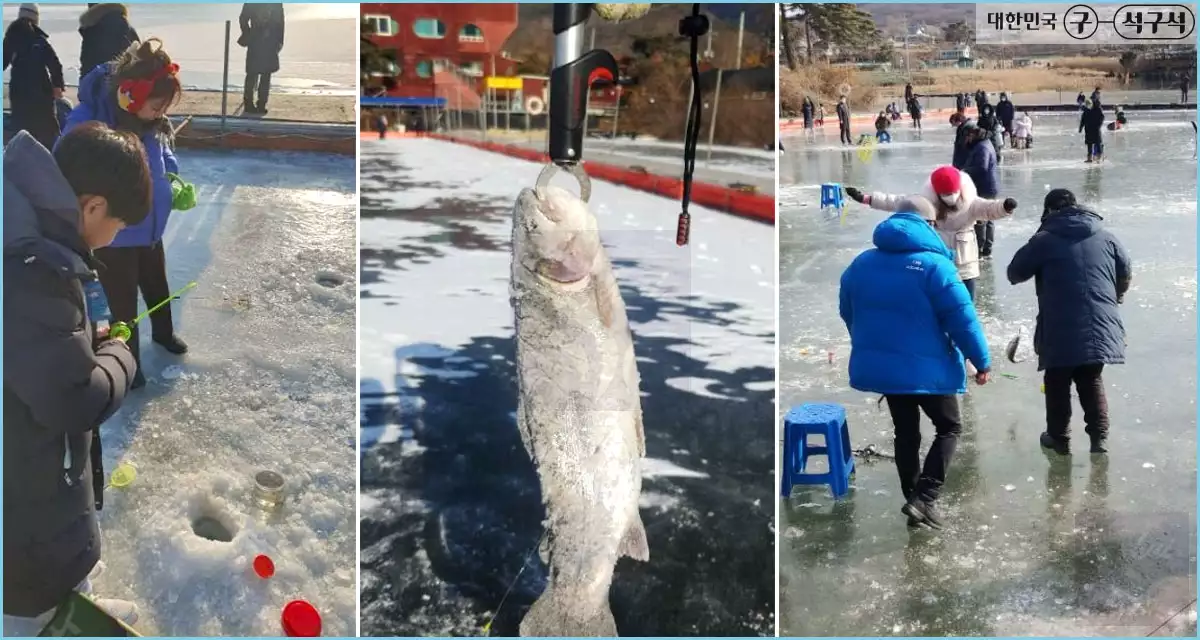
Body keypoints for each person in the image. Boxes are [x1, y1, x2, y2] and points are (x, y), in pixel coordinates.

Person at [3, 123, 152, 636]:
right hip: (22, 483)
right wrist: (121, 356)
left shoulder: (37, 239)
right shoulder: (31, 271)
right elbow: (74, 399)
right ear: (91, 207)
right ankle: (50, 620)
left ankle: (77, 596)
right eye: (118, 223)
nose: (116, 237)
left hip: (37, 462)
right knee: (35, 603)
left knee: (57, 553)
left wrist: (88, 337)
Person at [839, 197, 991, 529]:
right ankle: (925, 498)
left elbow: (848, 310)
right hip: (930, 369)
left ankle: (913, 499)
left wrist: (871, 343)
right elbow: (962, 320)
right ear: (929, 225)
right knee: (949, 427)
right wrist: (981, 361)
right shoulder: (935, 267)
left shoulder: (861, 264)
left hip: (889, 370)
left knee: (906, 434)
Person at [63, 38, 191, 390]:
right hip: (115, 233)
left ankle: (164, 334)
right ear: (128, 96)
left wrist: (172, 179)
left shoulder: (150, 120)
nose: (160, 113)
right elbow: (70, 149)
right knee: (122, 304)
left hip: (150, 228)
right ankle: (127, 365)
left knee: (156, 283)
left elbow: (161, 152)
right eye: (156, 106)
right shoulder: (91, 117)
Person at [1006, 189, 1132, 455]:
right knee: (1091, 377)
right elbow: (1125, 272)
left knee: (1058, 378)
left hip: (1059, 324)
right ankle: (1099, 439)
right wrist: (1115, 299)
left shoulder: (1045, 240)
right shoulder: (1106, 236)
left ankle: (1058, 438)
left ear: (1049, 212)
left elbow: (1015, 272)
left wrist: (1037, 244)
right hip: (1101, 321)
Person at [847, 164, 1016, 308]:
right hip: (937, 258)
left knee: (965, 304)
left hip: (965, 262)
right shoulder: (927, 202)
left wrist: (1005, 207)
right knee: (939, 303)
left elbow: (989, 208)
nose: (950, 197)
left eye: (953, 192)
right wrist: (867, 199)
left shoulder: (971, 202)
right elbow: (897, 202)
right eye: (945, 194)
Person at [3, 4, 65, 149]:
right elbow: (55, 64)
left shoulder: (10, 38)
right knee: (47, 130)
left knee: (21, 128)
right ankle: (51, 157)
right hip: (41, 92)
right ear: (36, 18)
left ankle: (22, 159)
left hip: (19, 92)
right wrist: (57, 85)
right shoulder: (40, 40)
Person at [962, 121, 1001, 257]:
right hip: (990, 185)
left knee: (981, 218)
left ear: (972, 134)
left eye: (967, 137)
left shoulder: (982, 147)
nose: (966, 140)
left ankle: (980, 248)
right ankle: (987, 248)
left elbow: (982, 167)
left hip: (985, 187)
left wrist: (964, 171)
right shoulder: (984, 143)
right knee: (989, 217)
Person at [237, 3, 285, 115]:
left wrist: (279, 41)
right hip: (255, 40)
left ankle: (261, 104)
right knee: (252, 73)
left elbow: (280, 23)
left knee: (266, 74)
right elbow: (243, 18)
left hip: (270, 41)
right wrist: (248, 33)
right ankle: (249, 103)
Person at [78, 3, 140, 77]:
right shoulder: (126, 28)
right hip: (121, 81)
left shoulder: (90, 30)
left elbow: (86, 63)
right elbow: (139, 59)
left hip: (92, 81)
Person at [1079, 98, 1105, 162]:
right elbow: (1083, 120)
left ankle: (1096, 157)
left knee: (1095, 143)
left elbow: (1102, 117)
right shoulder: (1088, 111)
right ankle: (1092, 158)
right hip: (1091, 129)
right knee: (1092, 143)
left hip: (1093, 129)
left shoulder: (1096, 110)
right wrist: (1081, 128)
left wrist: (1099, 125)